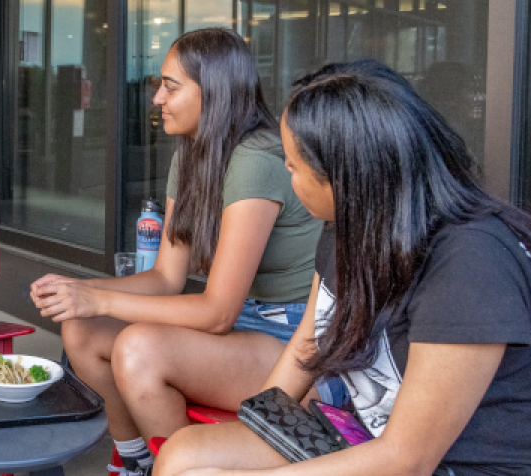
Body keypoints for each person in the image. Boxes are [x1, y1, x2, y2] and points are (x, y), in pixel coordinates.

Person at [154, 60, 531, 475]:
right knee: (182, 455)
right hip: (364, 437)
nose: (288, 177)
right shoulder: (346, 227)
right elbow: (308, 343)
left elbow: (407, 461)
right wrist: (263, 424)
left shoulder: (473, 261)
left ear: (346, 178)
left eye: (294, 166)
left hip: (464, 465)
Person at [29, 28, 325, 476]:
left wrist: (101, 297)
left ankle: (179, 464)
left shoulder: (257, 158)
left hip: (291, 340)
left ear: (215, 92)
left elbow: (218, 313)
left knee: (138, 348)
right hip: (244, 324)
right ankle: (136, 463)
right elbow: (167, 278)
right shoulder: (191, 155)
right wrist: (80, 291)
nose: (156, 99)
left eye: (170, 87)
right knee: (83, 330)